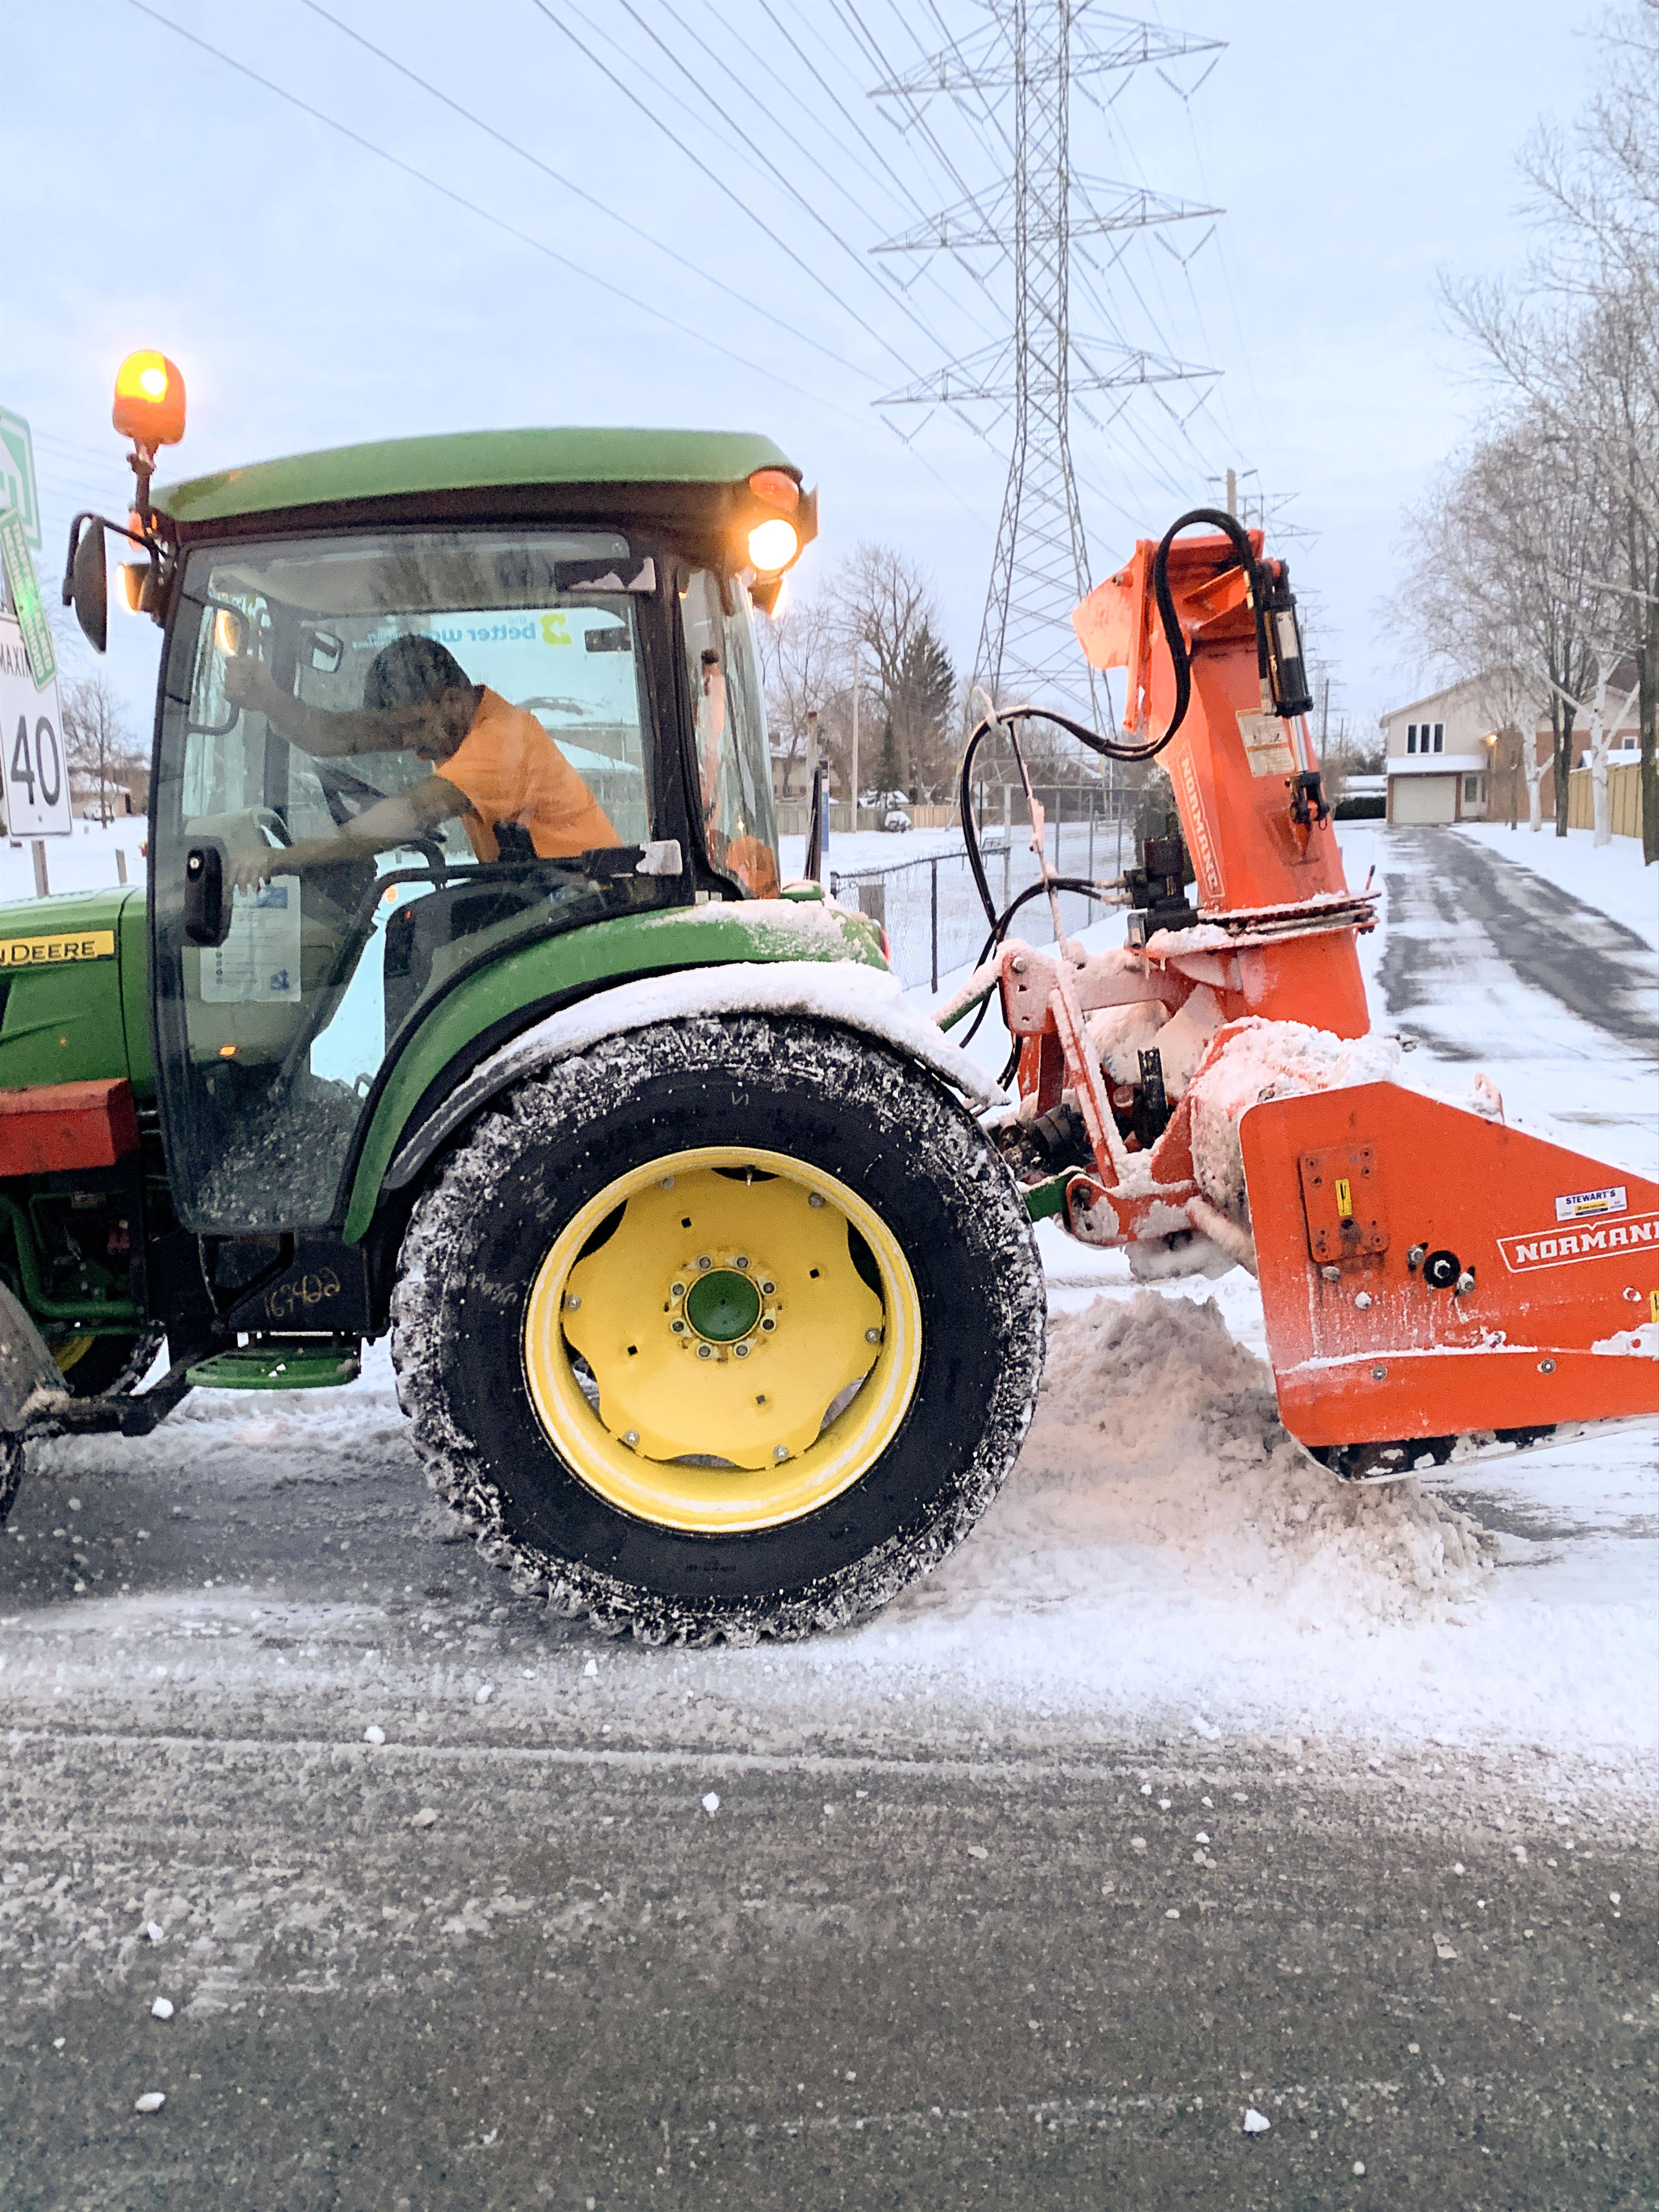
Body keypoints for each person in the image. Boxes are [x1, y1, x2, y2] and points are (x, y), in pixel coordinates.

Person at [221, 635, 616, 888]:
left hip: (593, 902)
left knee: (425, 937)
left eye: (414, 727)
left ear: (451, 702)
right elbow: (334, 735)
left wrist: (280, 859)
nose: (409, 746)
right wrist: (268, 700)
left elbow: (412, 813)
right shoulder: (449, 729)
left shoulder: (501, 740)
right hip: (546, 894)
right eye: (398, 734)